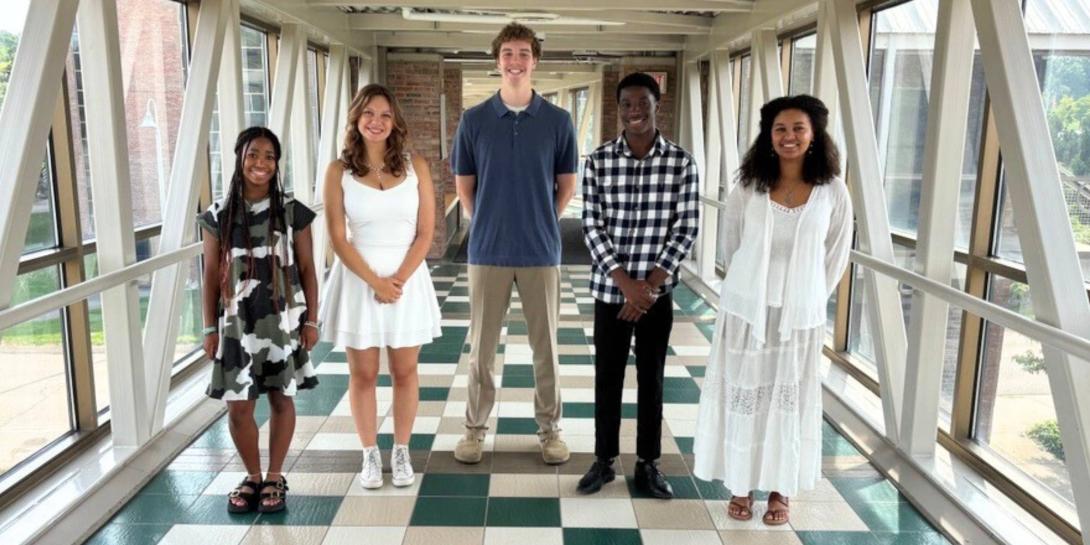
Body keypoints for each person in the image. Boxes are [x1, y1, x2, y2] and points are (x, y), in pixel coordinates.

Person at [693, 95, 853, 525]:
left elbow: (836, 254)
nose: (789, 137)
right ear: (768, 136)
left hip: (798, 317)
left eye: (798, 128)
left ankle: (781, 491)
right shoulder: (748, 187)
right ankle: (741, 486)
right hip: (748, 313)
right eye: (780, 129)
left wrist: (807, 296)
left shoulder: (832, 190)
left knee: (789, 399)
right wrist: (750, 290)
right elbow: (733, 245)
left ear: (814, 134)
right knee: (745, 393)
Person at [451, 22, 579, 465]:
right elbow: (465, 187)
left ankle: (550, 431)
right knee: (481, 352)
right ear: (497, 60)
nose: (515, 61)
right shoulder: (473, 120)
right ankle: (474, 431)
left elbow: (566, 186)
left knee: (546, 350)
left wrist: (540, 220)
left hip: (541, 252)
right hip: (487, 252)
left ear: (535, 61)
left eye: (523, 53)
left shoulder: (559, 121)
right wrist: (490, 220)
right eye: (508, 52)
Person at [578, 72, 699, 498]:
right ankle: (604, 461)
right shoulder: (597, 161)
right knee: (606, 378)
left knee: (653, 379)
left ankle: (648, 464)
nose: (634, 112)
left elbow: (686, 228)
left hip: (655, 295)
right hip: (611, 291)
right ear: (619, 109)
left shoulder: (681, 162)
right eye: (627, 104)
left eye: (642, 103)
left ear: (656, 105)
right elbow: (591, 225)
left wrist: (648, 287)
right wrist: (624, 283)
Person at [319, 83, 442, 489]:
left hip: (405, 279)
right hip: (360, 280)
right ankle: (370, 454)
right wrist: (376, 282)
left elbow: (426, 233)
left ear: (395, 123)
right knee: (364, 374)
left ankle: (401, 451)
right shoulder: (338, 171)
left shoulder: (416, 166)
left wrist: (397, 281)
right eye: (369, 113)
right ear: (356, 118)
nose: (376, 121)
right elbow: (338, 237)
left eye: (385, 115)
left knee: (406, 371)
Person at [198, 127, 320, 514]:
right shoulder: (219, 214)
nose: (261, 163)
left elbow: (307, 268)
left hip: (282, 322)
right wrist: (208, 328)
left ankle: (275, 476)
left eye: (269, 156)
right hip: (236, 325)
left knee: (281, 397)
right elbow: (211, 272)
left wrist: (312, 320)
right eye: (253, 155)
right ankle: (252, 476)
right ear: (239, 157)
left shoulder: (291, 210)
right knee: (239, 406)